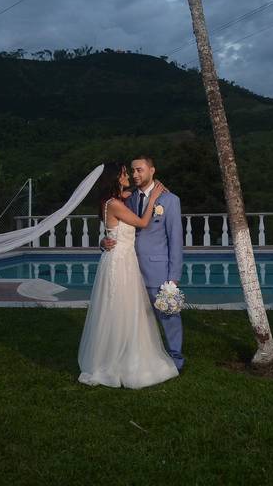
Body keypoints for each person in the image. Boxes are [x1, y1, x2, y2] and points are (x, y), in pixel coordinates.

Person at [77, 162, 179, 389]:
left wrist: (153, 190)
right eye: (125, 173)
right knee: (123, 311)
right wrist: (154, 200)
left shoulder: (114, 200)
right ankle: (120, 360)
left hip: (120, 261)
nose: (129, 176)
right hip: (121, 264)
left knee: (119, 310)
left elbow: (131, 196)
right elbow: (142, 222)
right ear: (115, 178)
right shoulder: (115, 204)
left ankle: (118, 354)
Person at [101, 156, 185, 372]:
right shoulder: (125, 199)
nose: (135, 175)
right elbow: (114, 227)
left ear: (152, 170)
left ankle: (176, 359)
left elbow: (176, 240)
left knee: (168, 317)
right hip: (127, 270)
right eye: (132, 171)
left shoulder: (169, 200)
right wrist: (104, 242)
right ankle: (133, 358)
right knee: (131, 319)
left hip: (157, 270)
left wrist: (173, 277)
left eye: (139, 170)